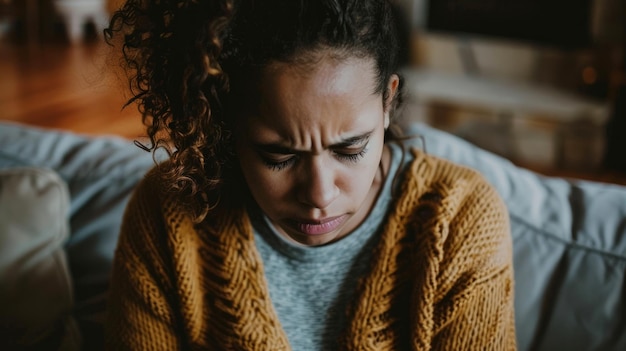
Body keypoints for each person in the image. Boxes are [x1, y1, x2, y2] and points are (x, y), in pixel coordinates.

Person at [104, 0, 517, 349]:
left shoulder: (461, 222)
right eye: (279, 156)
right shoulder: (169, 216)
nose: (319, 195)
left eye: (350, 149)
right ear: (228, 123)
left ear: (388, 101)